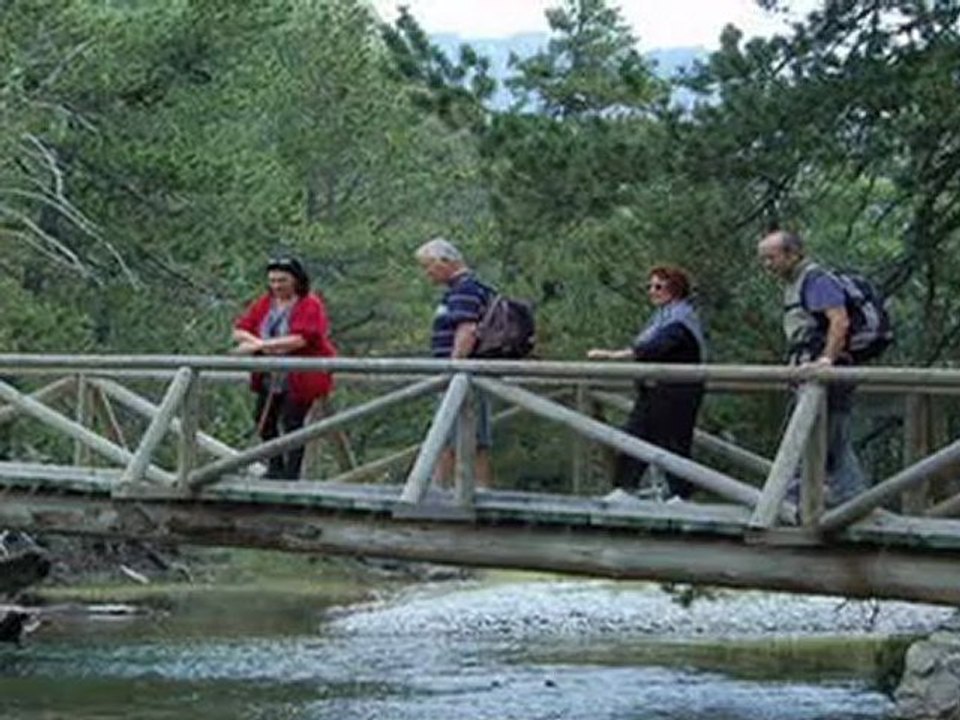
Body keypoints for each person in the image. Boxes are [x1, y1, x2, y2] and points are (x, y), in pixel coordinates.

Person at [757, 229, 866, 505]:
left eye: (772, 258)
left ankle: (788, 503)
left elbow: (839, 321)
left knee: (809, 439)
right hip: (812, 374)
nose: (767, 265)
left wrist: (826, 360)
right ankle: (853, 504)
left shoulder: (816, 280)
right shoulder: (797, 283)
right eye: (764, 259)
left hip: (827, 376)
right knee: (835, 444)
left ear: (793, 254)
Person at [587, 265, 707, 502]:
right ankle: (625, 489)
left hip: (677, 392)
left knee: (674, 442)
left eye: (659, 286)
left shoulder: (682, 318)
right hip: (654, 391)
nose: (652, 291)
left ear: (675, 288)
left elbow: (658, 346)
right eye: (649, 286)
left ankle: (680, 496)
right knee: (635, 436)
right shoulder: (661, 317)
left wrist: (614, 356)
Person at [232, 256, 336, 480]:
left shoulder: (310, 304)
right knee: (264, 420)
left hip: (302, 375)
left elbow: (301, 338)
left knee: (292, 422)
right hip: (271, 374)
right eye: (273, 281)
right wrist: (253, 341)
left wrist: (261, 345)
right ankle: (275, 466)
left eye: (282, 280)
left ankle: (292, 473)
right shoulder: (265, 303)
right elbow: (241, 328)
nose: (277, 286)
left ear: (296, 280)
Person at [415, 237, 494, 488]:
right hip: (463, 375)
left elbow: (467, 329)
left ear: (445, 261)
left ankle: (447, 489)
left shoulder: (465, 289)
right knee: (457, 433)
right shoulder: (468, 288)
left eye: (429, 266)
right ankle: (456, 487)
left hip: (462, 376)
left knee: (450, 433)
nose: (427, 273)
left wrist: (454, 366)